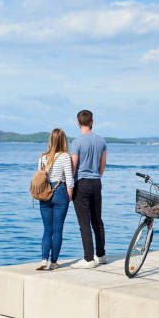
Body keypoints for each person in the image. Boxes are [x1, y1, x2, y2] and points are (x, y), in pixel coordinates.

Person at [70, 110, 107, 268]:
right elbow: (103, 163)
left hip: (82, 183)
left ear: (78, 123)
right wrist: (97, 176)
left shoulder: (76, 142)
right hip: (96, 182)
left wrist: (70, 185)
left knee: (84, 222)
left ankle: (88, 258)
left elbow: (73, 166)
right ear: (92, 122)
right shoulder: (101, 141)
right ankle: (101, 254)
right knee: (97, 220)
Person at [36, 128, 74, 271]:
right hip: (60, 192)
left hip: (44, 194)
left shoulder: (42, 157)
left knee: (47, 229)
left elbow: (40, 178)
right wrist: (69, 196)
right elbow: (69, 180)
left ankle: (43, 259)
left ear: (50, 140)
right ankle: (53, 262)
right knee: (58, 229)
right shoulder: (65, 157)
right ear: (63, 140)